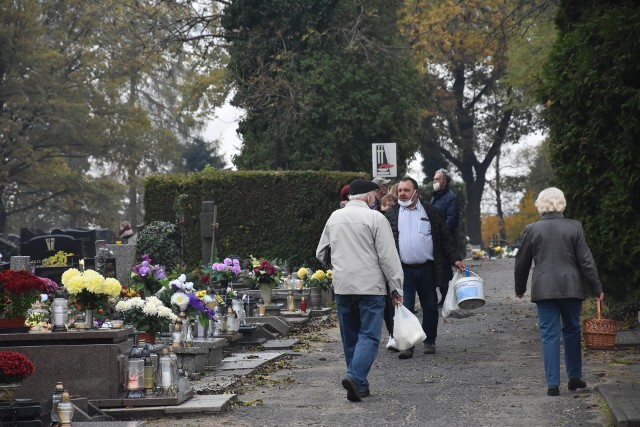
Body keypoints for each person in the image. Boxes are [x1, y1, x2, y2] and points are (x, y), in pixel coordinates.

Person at [316, 179, 404, 402]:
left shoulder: (334, 217)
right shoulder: (375, 218)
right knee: (369, 335)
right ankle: (355, 377)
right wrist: (396, 286)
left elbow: (321, 253)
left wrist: (338, 268)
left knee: (350, 336)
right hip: (370, 286)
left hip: (343, 286)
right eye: (374, 195)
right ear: (368, 197)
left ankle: (359, 385)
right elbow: (388, 257)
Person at [514, 187, 604, 397]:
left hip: (544, 289)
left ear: (541, 204)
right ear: (561, 203)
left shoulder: (532, 229)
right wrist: (597, 287)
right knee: (572, 330)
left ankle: (553, 384)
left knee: (549, 335)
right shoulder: (574, 227)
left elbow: (522, 262)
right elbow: (586, 261)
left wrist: (520, 288)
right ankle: (574, 377)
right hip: (571, 287)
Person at [385, 176, 465, 359]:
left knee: (430, 306)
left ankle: (429, 341)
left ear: (416, 192)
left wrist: (455, 259)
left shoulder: (430, 211)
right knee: (405, 306)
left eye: (406, 190)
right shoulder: (392, 214)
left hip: (427, 268)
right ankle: (407, 344)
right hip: (403, 269)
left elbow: (445, 238)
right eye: (400, 191)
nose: (402, 194)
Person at [430, 168, 460, 306]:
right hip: (435, 239)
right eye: (434, 179)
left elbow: (451, 220)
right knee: (437, 270)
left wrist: (439, 233)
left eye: (437, 179)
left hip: (444, 240)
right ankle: (444, 296)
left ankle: (448, 297)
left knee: (445, 270)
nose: (434, 181)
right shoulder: (435, 196)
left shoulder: (450, 198)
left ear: (445, 182)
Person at [379, 192, 399, 351]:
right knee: (388, 304)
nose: (386, 208)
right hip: (384, 266)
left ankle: (401, 333)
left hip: (397, 263)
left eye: (390, 205)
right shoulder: (377, 219)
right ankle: (393, 333)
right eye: (384, 205)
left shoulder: (397, 218)